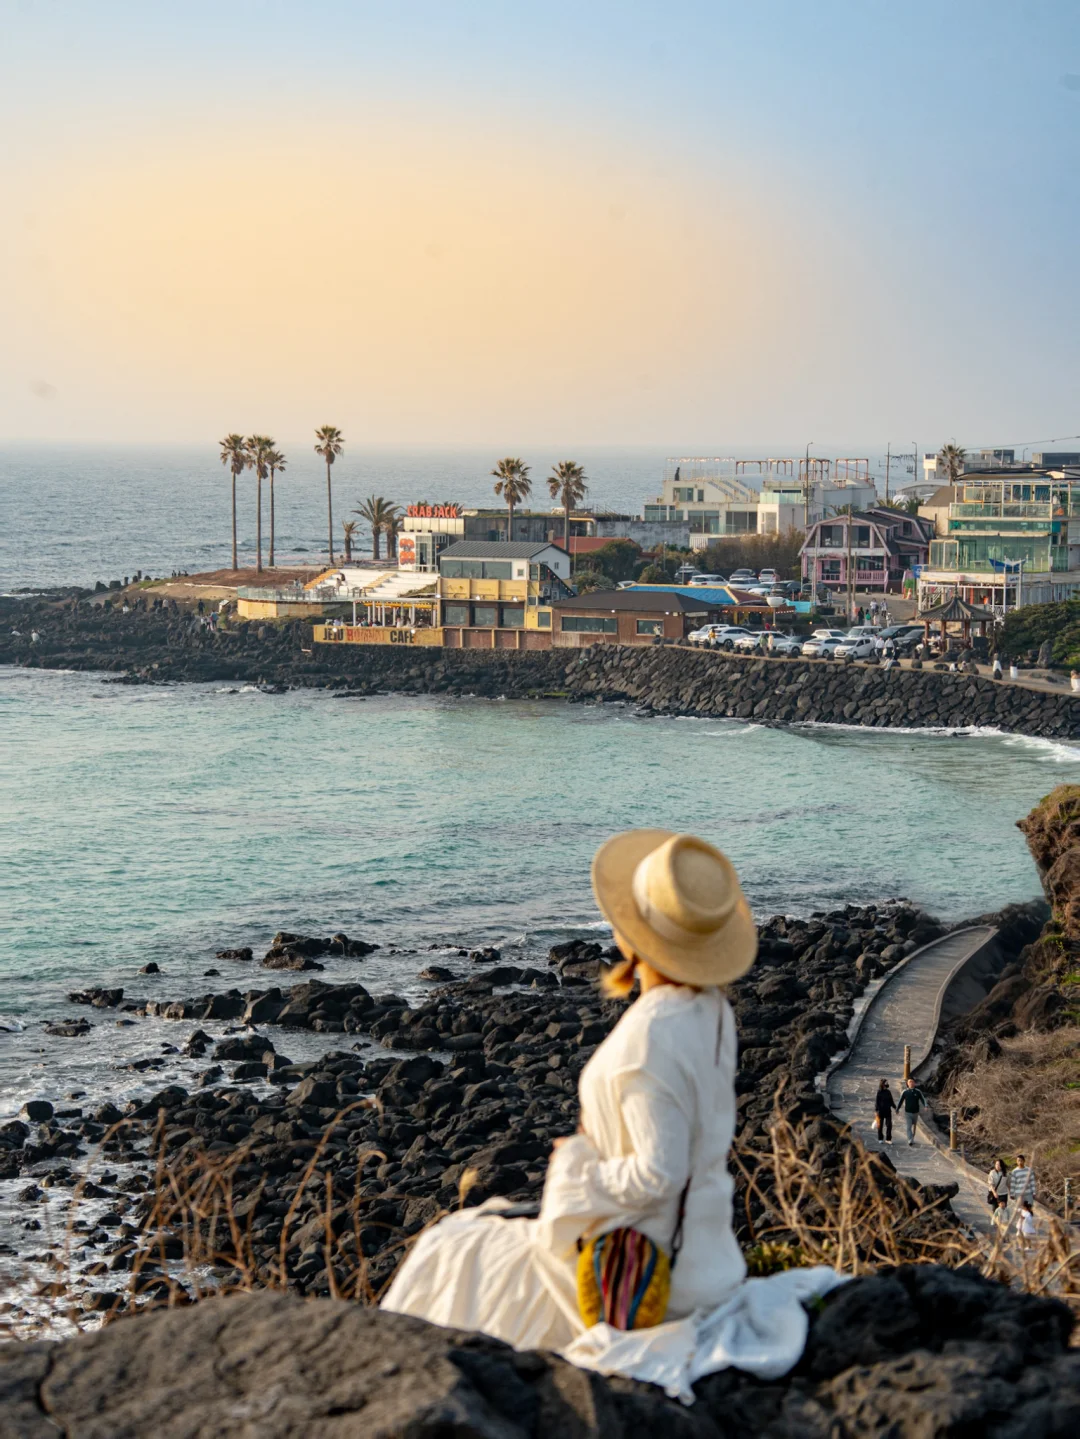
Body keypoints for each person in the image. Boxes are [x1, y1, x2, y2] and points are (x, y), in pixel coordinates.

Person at [381, 830, 841, 1391]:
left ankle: (410, 1399)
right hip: (711, 1259)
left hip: (645, 1277)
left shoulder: (649, 1040)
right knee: (482, 1231)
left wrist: (576, 1165)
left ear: (634, 932)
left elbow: (657, 1174)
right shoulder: (712, 1010)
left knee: (452, 1250)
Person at [895, 1076, 927, 1145]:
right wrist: (897, 1109)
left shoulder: (918, 1092)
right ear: (907, 1083)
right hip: (908, 1112)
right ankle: (910, 1139)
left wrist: (925, 1106)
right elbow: (900, 1101)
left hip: (916, 1112)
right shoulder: (905, 1092)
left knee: (914, 1125)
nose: (911, 1083)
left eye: (912, 1082)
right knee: (909, 1126)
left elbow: (923, 1099)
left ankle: (912, 1137)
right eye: (909, 1082)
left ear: (914, 1083)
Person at [874, 1079, 894, 1144]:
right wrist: (876, 1111)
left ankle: (888, 1139)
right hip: (880, 1111)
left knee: (889, 1125)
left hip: (888, 1111)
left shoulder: (888, 1092)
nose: (887, 1084)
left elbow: (891, 1101)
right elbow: (877, 1102)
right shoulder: (879, 1092)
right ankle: (880, 1138)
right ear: (882, 1084)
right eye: (886, 1083)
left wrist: (895, 1107)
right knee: (880, 1126)